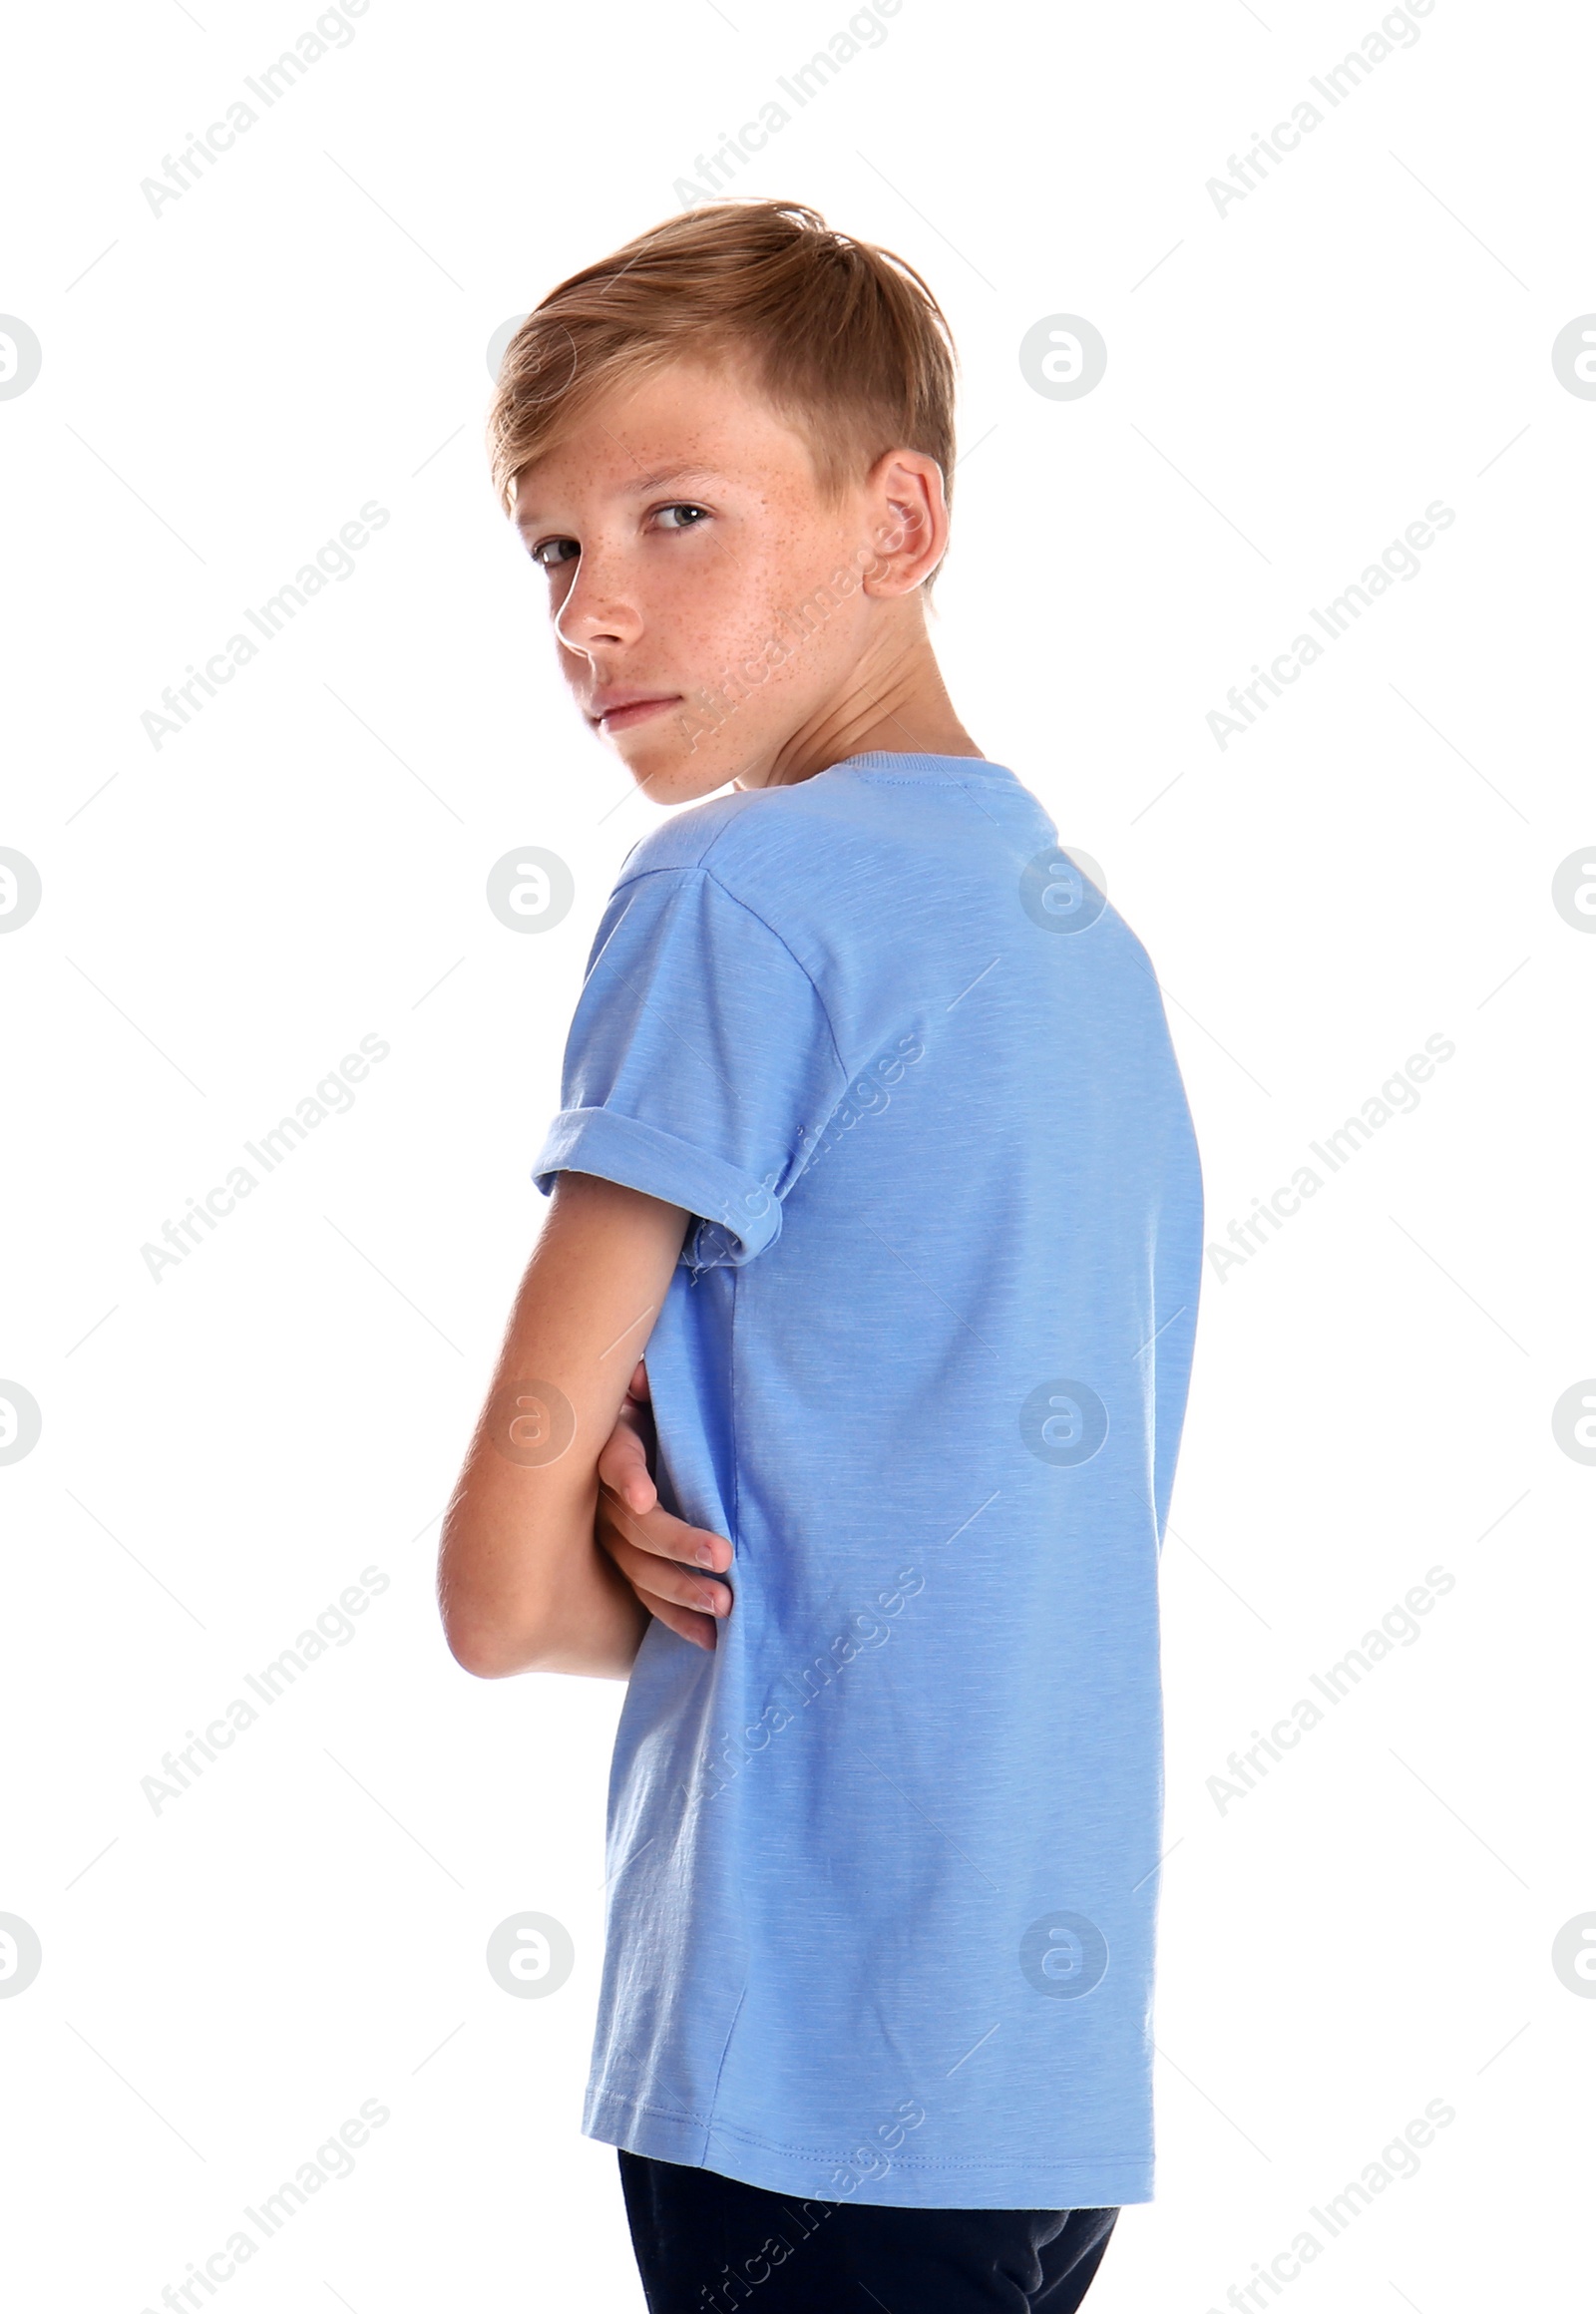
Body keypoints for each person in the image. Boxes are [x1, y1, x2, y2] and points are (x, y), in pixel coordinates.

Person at [438, 197, 1204, 2313]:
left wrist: (615, 1545)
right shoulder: (1083, 945)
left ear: (897, 519)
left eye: (673, 514)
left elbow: (495, 1594)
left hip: (792, 2056)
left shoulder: (727, 895)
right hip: (1039, 2085)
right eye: (552, 547)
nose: (593, 610)